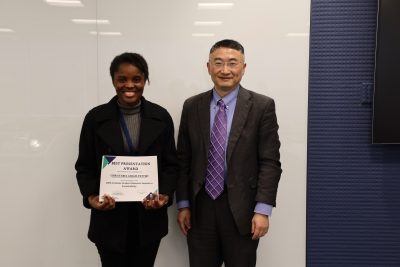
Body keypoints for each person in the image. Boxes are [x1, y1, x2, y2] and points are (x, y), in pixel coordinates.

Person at [176, 39, 282, 267]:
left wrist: (263, 210)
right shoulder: (192, 106)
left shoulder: (262, 106)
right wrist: (183, 204)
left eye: (232, 63)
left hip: (242, 210)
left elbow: (269, 162)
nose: (225, 70)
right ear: (208, 67)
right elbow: (183, 160)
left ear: (243, 68)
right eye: (219, 63)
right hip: (200, 209)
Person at [75, 52, 178, 267]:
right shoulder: (95, 118)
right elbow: (84, 166)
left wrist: (165, 195)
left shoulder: (161, 117)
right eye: (122, 79)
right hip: (109, 220)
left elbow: (171, 165)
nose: (129, 85)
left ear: (145, 80)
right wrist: (92, 196)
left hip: (149, 219)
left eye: (136, 79)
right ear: (113, 80)